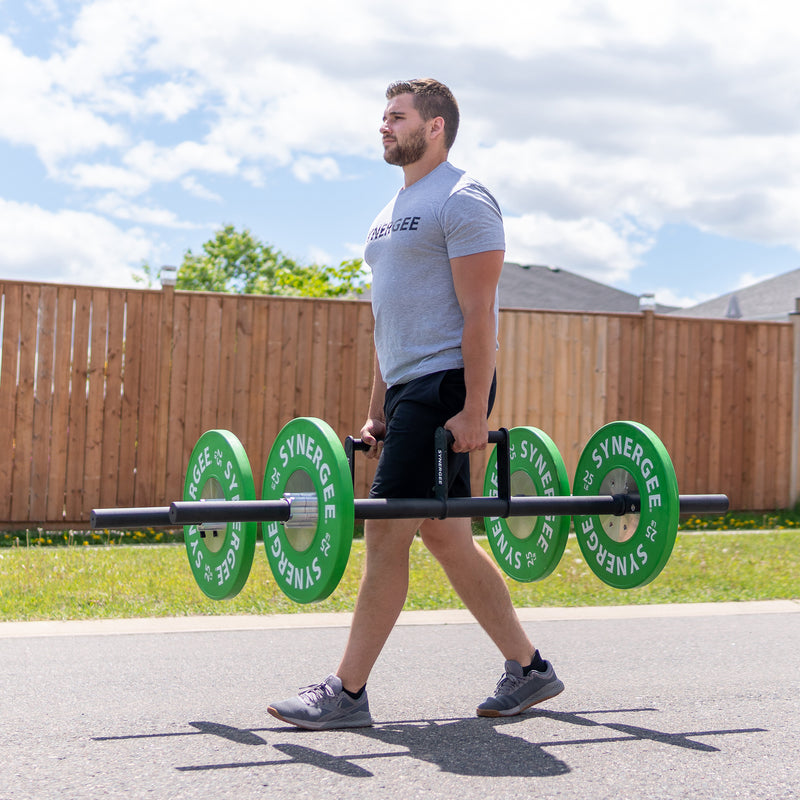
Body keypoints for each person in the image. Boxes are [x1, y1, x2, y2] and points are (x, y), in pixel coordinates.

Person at [268, 78, 563, 730]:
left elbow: (481, 312)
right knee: (446, 534)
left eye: (395, 116)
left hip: (445, 385)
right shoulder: (388, 211)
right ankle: (530, 669)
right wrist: (378, 406)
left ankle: (346, 692)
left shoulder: (463, 199)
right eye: (383, 115)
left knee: (387, 531)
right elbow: (392, 321)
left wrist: (474, 412)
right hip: (408, 387)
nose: (383, 125)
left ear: (434, 127)